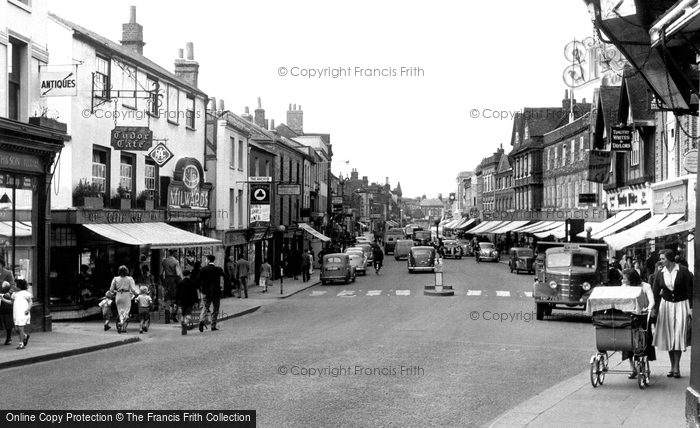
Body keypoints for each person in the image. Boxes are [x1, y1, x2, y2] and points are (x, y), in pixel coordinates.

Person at [652, 249, 693, 378]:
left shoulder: (683, 271)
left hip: (681, 304)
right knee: (669, 336)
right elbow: (655, 292)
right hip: (666, 306)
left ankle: (677, 366)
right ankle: (672, 366)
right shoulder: (660, 273)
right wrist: (654, 308)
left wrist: (691, 308)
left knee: (678, 335)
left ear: (670, 259)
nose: (661, 261)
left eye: (663, 259)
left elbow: (690, 290)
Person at [620, 269, 656, 378]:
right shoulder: (624, 287)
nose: (623, 280)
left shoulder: (645, 286)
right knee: (628, 341)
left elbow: (652, 301)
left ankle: (643, 363)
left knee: (643, 340)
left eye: (625, 278)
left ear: (632, 279)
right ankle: (632, 367)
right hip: (629, 316)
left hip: (642, 316)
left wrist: (648, 308)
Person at [197, 255, 225, 332]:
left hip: (206, 292)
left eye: (206, 259)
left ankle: (201, 320)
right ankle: (213, 325)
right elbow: (225, 276)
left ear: (208, 260)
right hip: (216, 292)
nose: (205, 261)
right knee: (216, 308)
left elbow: (198, 280)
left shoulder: (203, 269)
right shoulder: (218, 269)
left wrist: (201, 286)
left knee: (205, 307)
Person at [109, 265, 139, 334]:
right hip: (126, 295)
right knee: (126, 311)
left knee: (120, 311)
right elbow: (133, 289)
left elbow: (111, 289)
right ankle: (122, 323)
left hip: (118, 295)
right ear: (127, 271)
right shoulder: (129, 279)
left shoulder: (115, 279)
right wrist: (137, 294)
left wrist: (113, 293)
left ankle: (122, 326)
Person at [161, 249, 182, 324]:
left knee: (167, 300)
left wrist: (163, 282)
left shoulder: (164, 261)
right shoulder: (176, 262)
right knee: (177, 299)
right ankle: (174, 314)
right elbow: (178, 273)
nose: (177, 254)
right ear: (174, 253)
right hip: (174, 282)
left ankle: (167, 318)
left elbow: (161, 273)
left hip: (166, 281)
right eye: (176, 253)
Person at [176, 270, 199, 335]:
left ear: (183, 275)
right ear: (189, 275)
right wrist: (196, 301)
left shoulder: (180, 283)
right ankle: (185, 323)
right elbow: (195, 293)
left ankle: (183, 326)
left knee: (183, 314)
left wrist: (177, 301)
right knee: (188, 314)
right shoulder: (192, 283)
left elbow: (177, 293)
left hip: (182, 301)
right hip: (190, 301)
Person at [12, 279, 32, 349]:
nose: (13, 286)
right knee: (16, 329)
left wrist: (28, 309)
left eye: (15, 285)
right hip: (16, 313)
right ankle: (25, 336)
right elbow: (11, 302)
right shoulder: (14, 294)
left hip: (23, 313)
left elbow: (30, 301)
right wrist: (3, 299)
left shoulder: (25, 293)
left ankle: (21, 343)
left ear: (19, 286)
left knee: (20, 328)